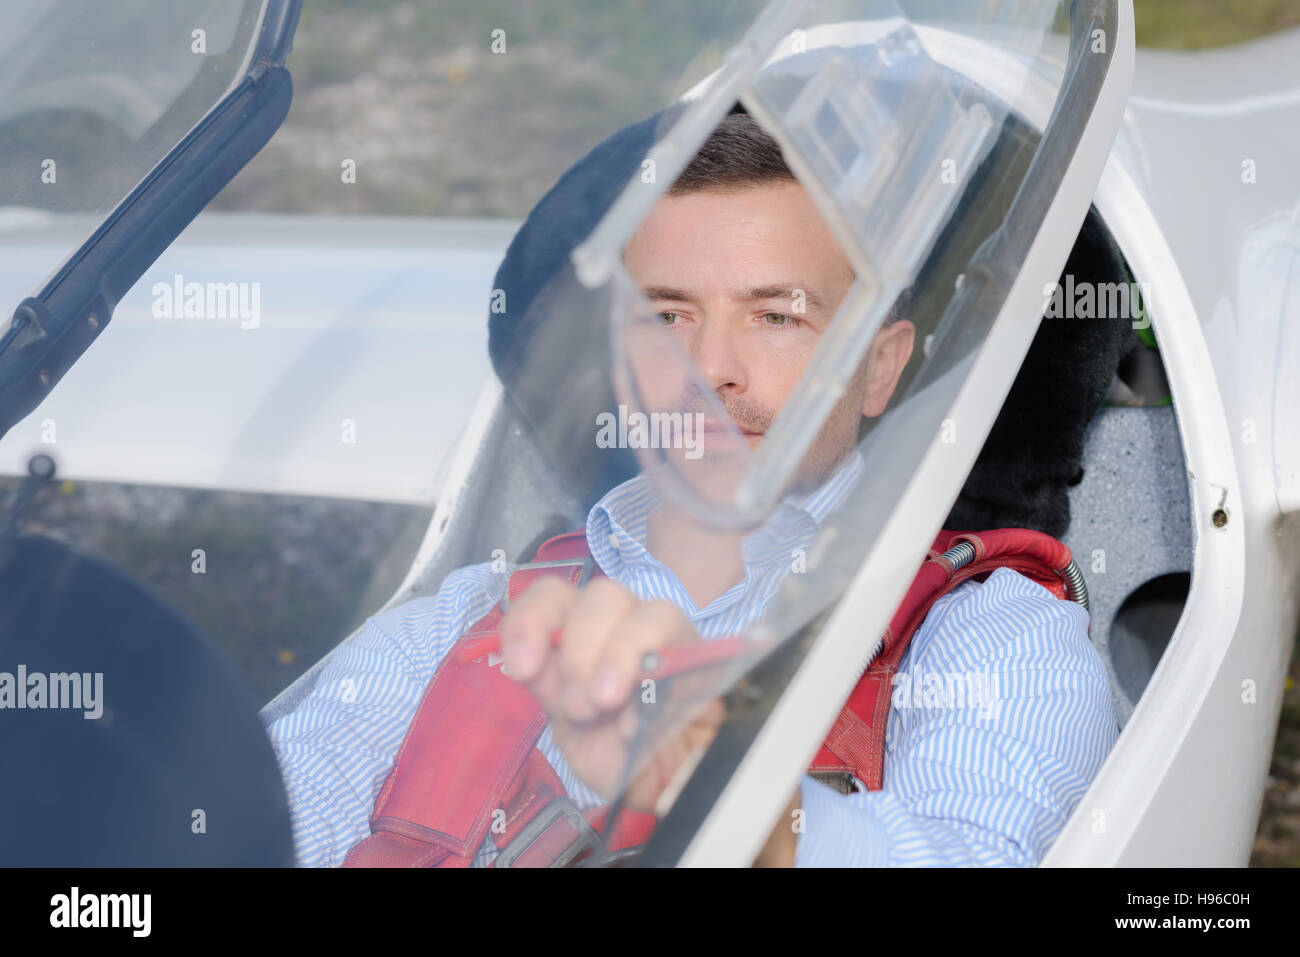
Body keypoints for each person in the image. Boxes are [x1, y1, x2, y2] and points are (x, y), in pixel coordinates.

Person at [267, 110, 1118, 867]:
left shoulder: (991, 635)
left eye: (777, 315)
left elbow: (976, 853)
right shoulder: (462, 624)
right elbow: (245, 827)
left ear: (879, 367)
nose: (709, 368)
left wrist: (727, 791)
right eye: (666, 315)